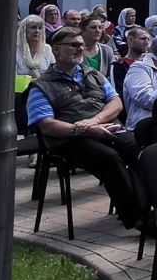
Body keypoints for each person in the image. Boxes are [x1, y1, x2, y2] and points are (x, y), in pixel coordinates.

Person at [24, 27, 143, 227]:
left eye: (81, 45)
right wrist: (86, 129)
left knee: (139, 151)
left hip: (105, 128)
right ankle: (138, 217)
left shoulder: (92, 74)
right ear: (56, 50)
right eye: (73, 45)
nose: (80, 49)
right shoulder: (41, 85)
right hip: (70, 139)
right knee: (110, 159)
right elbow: (47, 125)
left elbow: (116, 102)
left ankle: (152, 204)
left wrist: (94, 122)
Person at [116, 25, 157, 129]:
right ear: (130, 40)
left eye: (148, 39)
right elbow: (121, 95)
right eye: (143, 38)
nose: (146, 42)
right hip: (139, 121)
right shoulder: (119, 65)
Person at [15, 15, 53, 80]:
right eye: (33, 27)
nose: (37, 31)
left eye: (40, 28)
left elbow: (52, 74)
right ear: (24, 30)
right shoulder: (15, 50)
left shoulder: (47, 49)